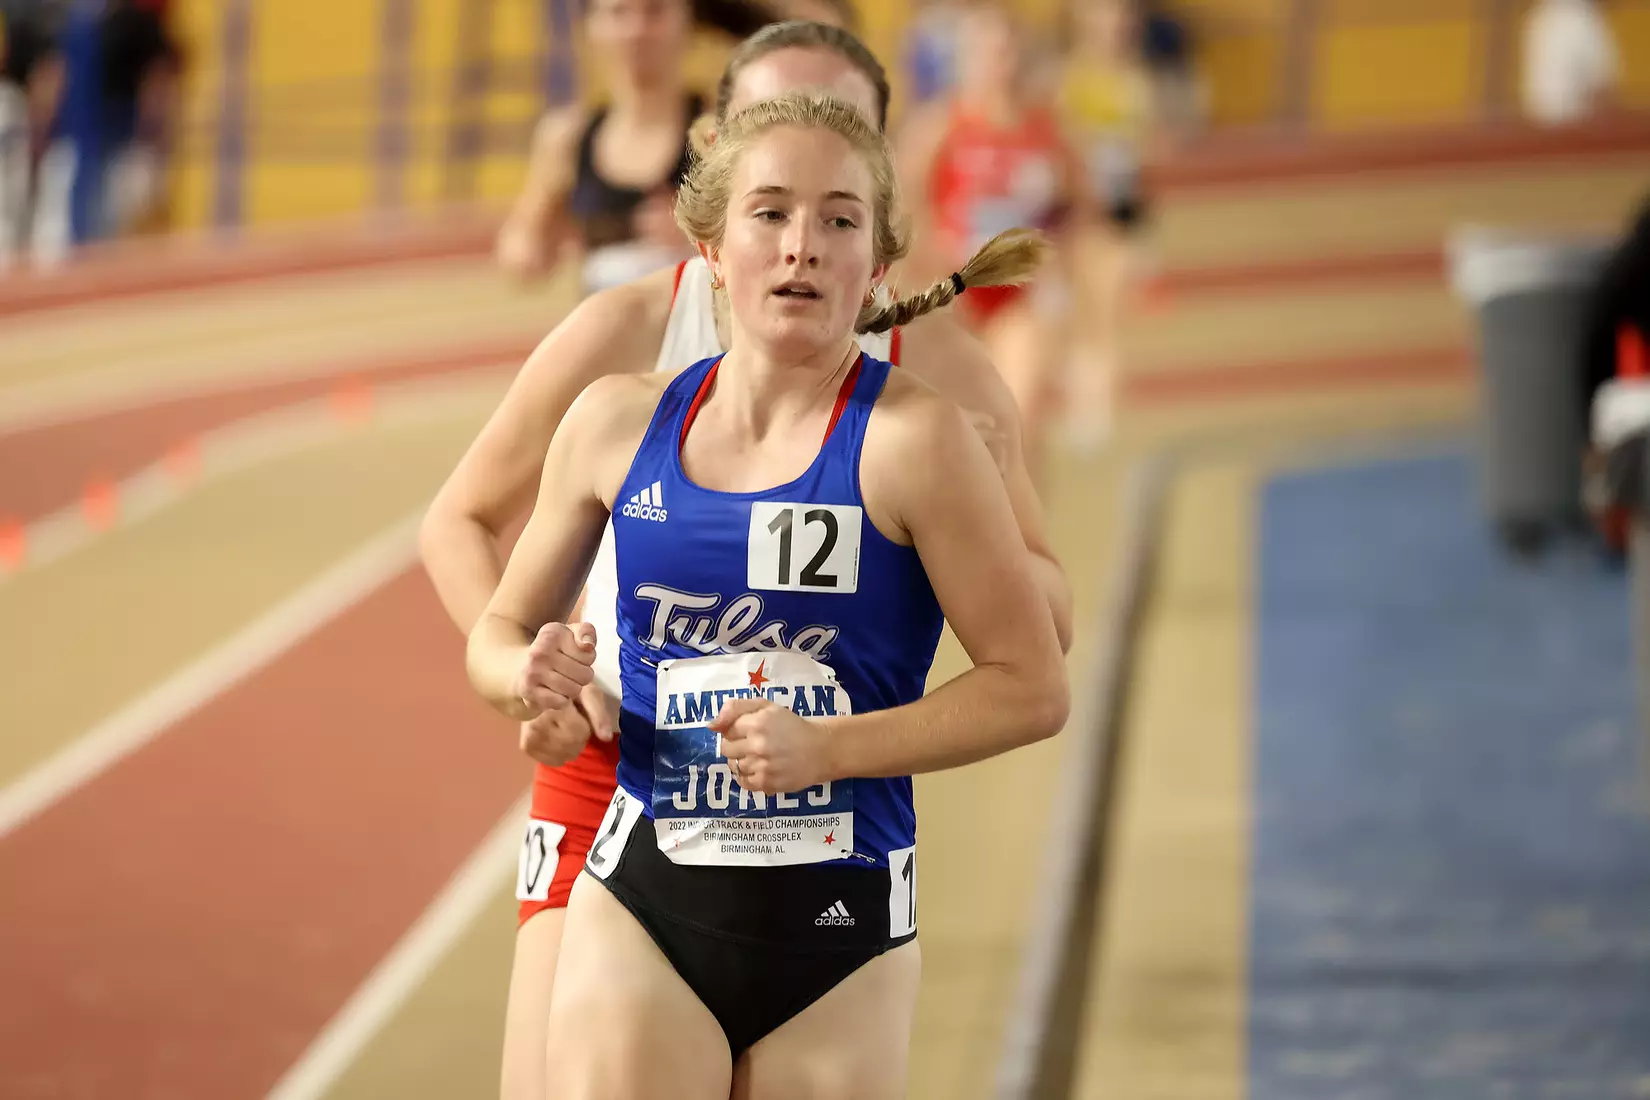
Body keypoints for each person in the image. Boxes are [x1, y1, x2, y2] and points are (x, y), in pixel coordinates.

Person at [419, 20, 1073, 1100]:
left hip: (832, 852)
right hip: (619, 786)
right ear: (715, 198)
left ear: (880, 223)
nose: (801, 238)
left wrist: (989, 511)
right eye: (769, 199)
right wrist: (533, 681)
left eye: (838, 198)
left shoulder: (930, 408)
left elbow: (1036, 651)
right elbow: (466, 541)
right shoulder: (622, 367)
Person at [900, 2, 1088, 477]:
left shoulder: (1044, 129)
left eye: (1004, 51)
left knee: (1021, 421)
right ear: (964, 58)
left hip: (1018, 298)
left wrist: (1057, 262)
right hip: (954, 296)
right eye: (983, 51)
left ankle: (1025, 534)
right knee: (953, 426)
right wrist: (933, 264)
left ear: (1019, 56)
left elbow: (1078, 205)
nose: (995, 63)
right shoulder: (939, 127)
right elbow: (902, 207)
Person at [495, 0, 705, 290]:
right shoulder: (567, 138)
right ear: (592, 27)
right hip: (607, 324)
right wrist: (536, 248)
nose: (636, 30)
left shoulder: (722, 132)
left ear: (687, 20)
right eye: (619, 13)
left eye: (654, 11)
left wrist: (704, 235)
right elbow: (518, 248)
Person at [1521, 0, 1619, 127]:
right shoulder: (1583, 19)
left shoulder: (1537, 17)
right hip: (1577, 129)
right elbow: (1602, 89)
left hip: (1539, 130)